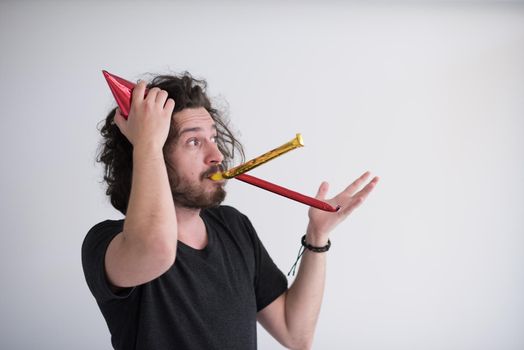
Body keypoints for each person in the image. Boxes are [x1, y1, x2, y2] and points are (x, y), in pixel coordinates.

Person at [82, 72, 379, 350]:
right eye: (194, 141)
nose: (217, 155)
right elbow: (157, 249)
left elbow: (296, 332)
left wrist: (317, 236)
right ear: (149, 152)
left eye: (212, 138)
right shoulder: (107, 243)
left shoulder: (233, 225)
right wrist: (146, 139)